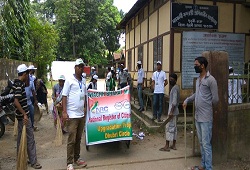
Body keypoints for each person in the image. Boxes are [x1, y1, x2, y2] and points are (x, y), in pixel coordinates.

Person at [183, 56, 219, 170]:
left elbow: (215, 99)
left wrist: (206, 106)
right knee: (201, 143)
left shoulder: (211, 80)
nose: (195, 67)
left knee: (206, 144)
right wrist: (187, 100)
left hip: (206, 117)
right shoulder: (199, 79)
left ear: (202, 66)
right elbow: (196, 95)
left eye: (196, 65)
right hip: (198, 117)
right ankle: (203, 165)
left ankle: (208, 167)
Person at [13, 64, 42, 169]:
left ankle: (21, 158)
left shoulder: (16, 84)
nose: (28, 77)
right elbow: (16, 101)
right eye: (27, 74)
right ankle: (33, 161)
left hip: (20, 117)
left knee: (21, 138)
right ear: (24, 74)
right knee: (30, 138)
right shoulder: (19, 85)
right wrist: (25, 114)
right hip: (24, 117)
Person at [62, 58, 87, 170]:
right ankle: (69, 162)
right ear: (75, 67)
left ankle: (77, 158)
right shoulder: (69, 80)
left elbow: (85, 95)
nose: (80, 68)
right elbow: (64, 96)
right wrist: (64, 111)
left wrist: (85, 107)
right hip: (72, 115)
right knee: (71, 139)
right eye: (79, 66)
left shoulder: (84, 80)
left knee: (78, 138)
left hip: (81, 114)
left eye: (82, 67)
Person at [159, 73, 180, 152]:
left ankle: (167, 145)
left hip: (172, 112)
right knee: (174, 128)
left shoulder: (174, 89)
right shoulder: (177, 88)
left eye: (172, 79)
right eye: (170, 79)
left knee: (168, 128)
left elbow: (174, 102)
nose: (170, 80)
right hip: (176, 112)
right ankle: (173, 145)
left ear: (175, 80)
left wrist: (171, 112)